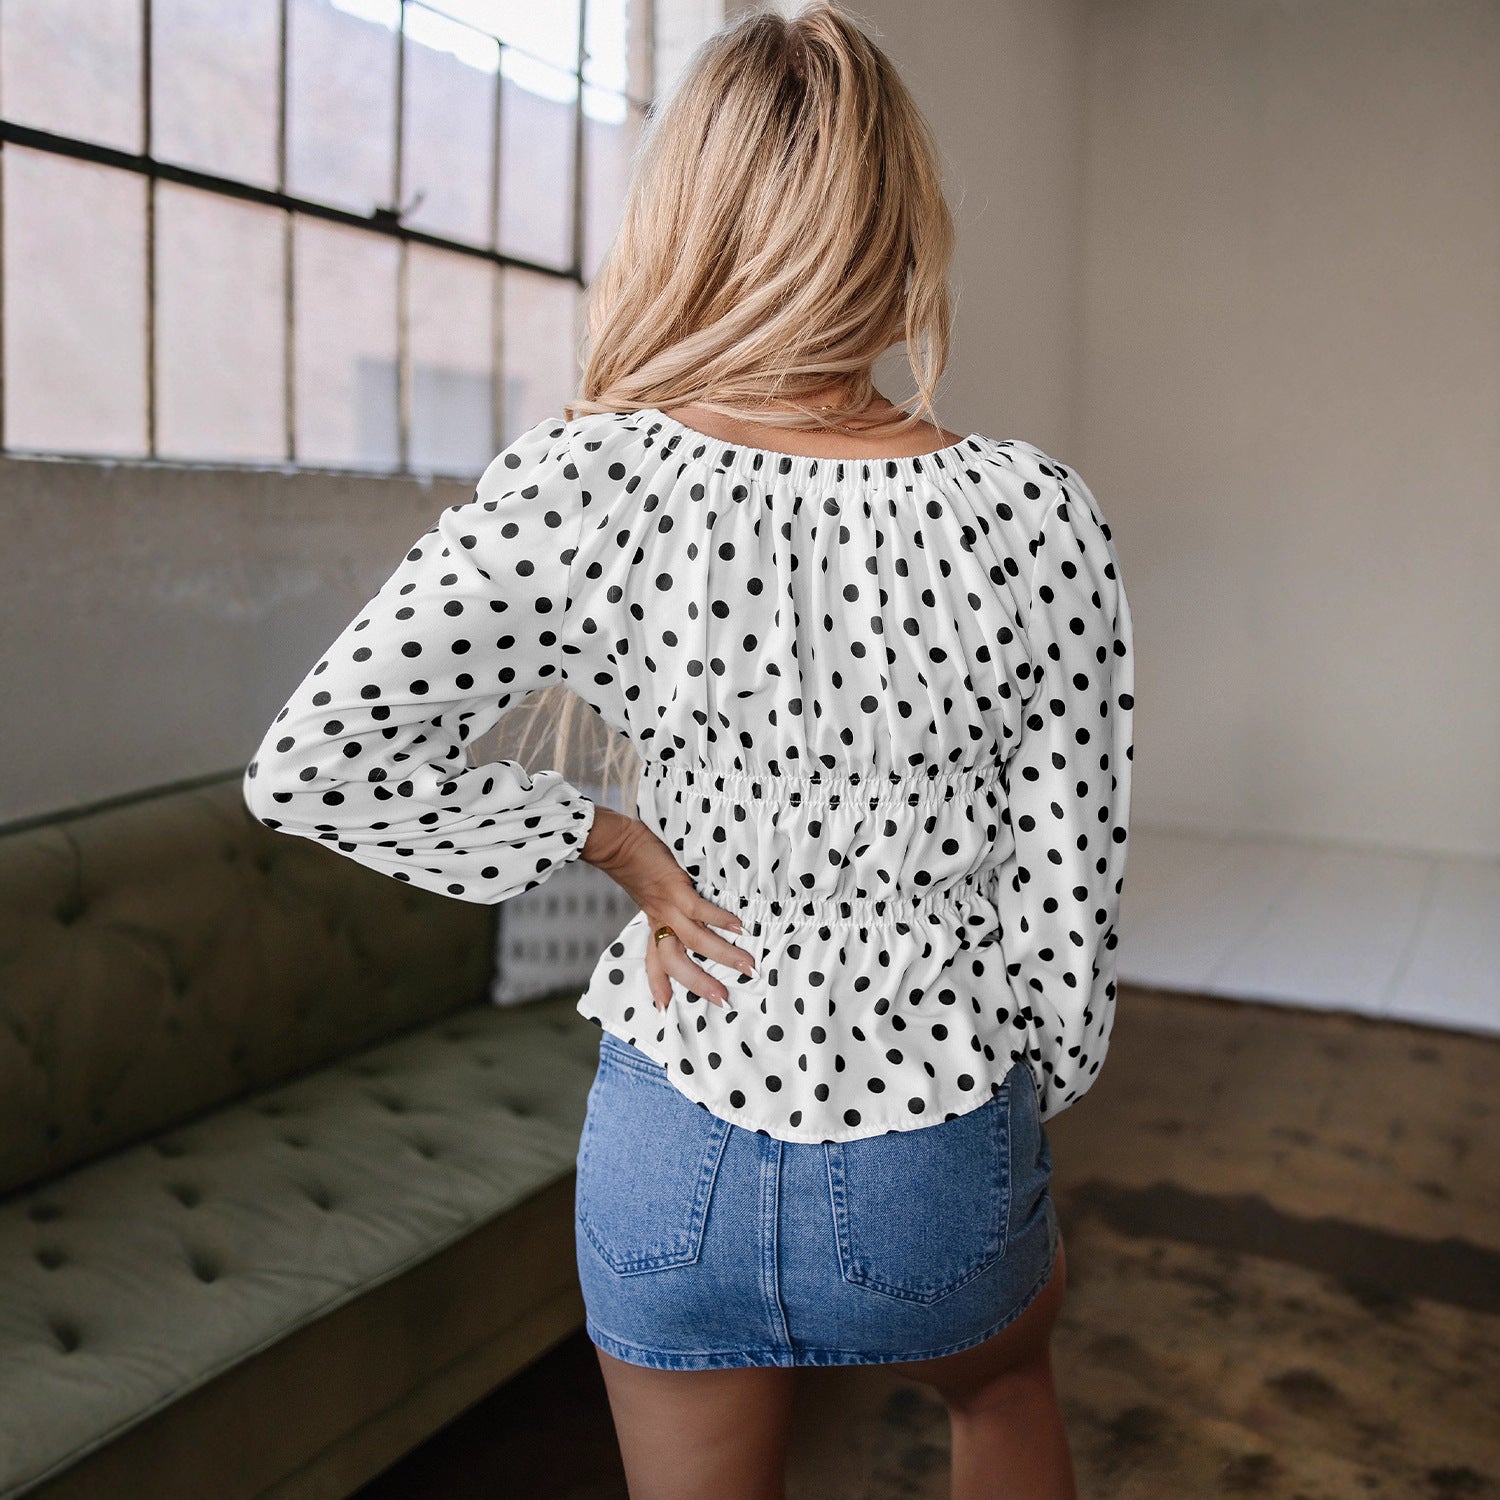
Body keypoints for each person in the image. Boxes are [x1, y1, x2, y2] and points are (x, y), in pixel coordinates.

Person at [242, 4, 1134, 1496]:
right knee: (1002, 1392)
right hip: (932, 1134)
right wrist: (1008, 1113)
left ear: (686, 223)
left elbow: (316, 763)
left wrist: (609, 842)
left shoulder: (586, 478)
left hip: (673, 1136)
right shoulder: (1033, 511)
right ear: (902, 224)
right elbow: (1067, 916)